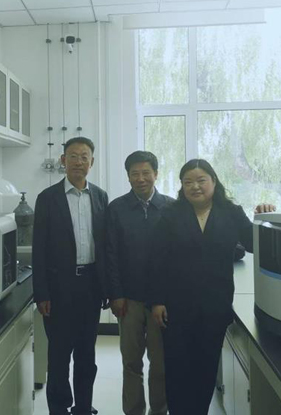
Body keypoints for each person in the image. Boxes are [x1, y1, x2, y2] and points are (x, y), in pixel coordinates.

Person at [147, 159, 275, 415]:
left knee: (206, 367)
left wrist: (264, 219)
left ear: (214, 182)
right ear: (182, 187)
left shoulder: (231, 212)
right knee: (177, 368)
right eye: (188, 182)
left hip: (215, 306)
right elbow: (157, 259)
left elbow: (253, 244)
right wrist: (157, 300)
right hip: (176, 307)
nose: (195, 186)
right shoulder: (171, 214)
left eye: (201, 180)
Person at [33, 137, 109, 415]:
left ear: (92, 162)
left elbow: (105, 245)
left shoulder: (100, 197)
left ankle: (84, 407)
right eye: (73, 156)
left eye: (84, 156)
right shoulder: (47, 198)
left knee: (87, 353)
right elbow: (39, 249)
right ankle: (58, 409)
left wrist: (107, 287)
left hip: (91, 286)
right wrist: (41, 293)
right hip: (58, 289)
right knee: (59, 355)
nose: (79, 162)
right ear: (63, 161)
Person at [106, 151, 174, 415]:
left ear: (156, 174)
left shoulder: (171, 208)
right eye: (135, 174)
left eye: (146, 173)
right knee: (131, 362)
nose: (141, 178)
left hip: (161, 302)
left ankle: (159, 410)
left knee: (161, 363)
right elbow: (110, 254)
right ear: (128, 177)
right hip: (129, 300)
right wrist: (115, 294)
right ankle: (133, 410)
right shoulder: (116, 209)